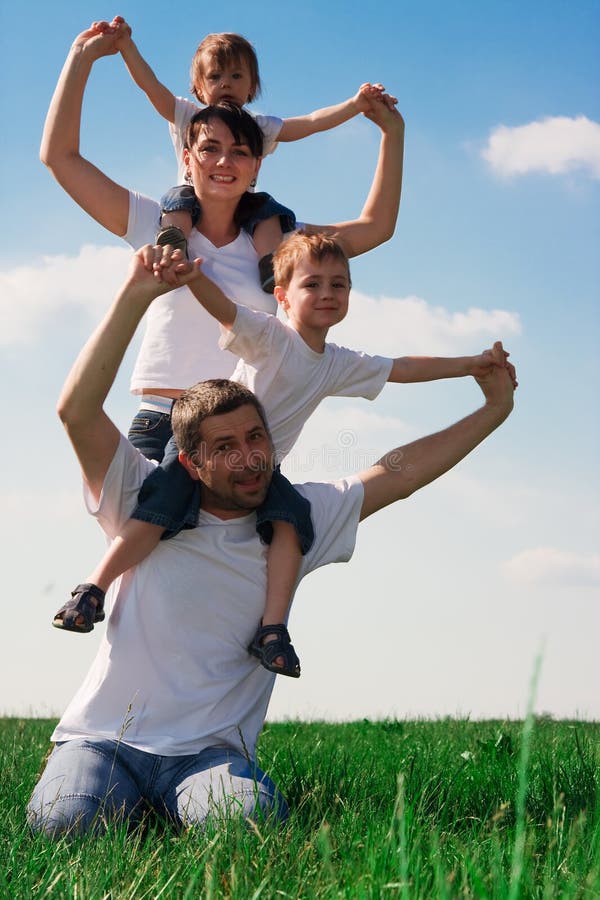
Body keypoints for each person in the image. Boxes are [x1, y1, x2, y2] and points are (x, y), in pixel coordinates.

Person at [27, 246, 516, 837]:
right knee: (67, 823)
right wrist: (136, 295)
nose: (250, 456)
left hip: (208, 757)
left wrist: (492, 412)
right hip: (105, 741)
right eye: (225, 447)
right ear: (191, 460)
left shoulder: (298, 514)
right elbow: (77, 410)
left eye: (256, 437)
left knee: (251, 825)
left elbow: (399, 472)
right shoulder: (141, 497)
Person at [40, 21, 405, 652]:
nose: (223, 163)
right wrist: (81, 61)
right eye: (208, 149)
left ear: (258, 162)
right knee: (155, 562)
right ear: (185, 155)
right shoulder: (155, 224)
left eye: (239, 152)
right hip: (163, 420)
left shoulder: (282, 245)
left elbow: (375, 227)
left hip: (241, 429)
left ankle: (245, 668)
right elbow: (61, 159)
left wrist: (390, 136)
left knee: (239, 572)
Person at [52, 232, 515, 680]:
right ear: (283, 296)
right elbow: (227, 311)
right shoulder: (271, 336)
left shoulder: (337, 361)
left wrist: (469, 365)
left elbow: (403, 367)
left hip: (261, 470)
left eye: (339, 285)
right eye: (312, 284)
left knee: (291, 525)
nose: (328, 293)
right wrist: (192, 278)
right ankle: (93, 588)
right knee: (159, 509)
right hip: (204, 454)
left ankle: (272, 631)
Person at [108, 15, 393, 290]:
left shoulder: (259, 127)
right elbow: (151, 86)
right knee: (177, 201)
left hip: (241, 205)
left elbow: (312, 122)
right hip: (192, 195)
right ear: (199, 88)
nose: (226, 83)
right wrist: (126, 48)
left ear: (252, 86)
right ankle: (172, 244)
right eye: (215, 76)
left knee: (268, 214)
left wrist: (355, 105)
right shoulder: (188, 116)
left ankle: (270, 264)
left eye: (236, 75)